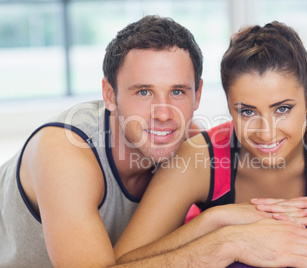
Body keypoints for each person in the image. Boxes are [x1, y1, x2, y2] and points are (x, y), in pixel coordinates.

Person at [114, 21, 307, 267]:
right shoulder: (200, 159)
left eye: (283, 109)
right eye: (247, 111)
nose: (266, 133)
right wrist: (216, 223)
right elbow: (124, 261)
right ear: (228, 105)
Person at [0, 15, 204, 267]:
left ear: (197, 95)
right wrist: (220, 245)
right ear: (110, 95)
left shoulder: (192, 142)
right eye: (144, 92)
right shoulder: (64, 153)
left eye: (177, 92)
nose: (163, 114)